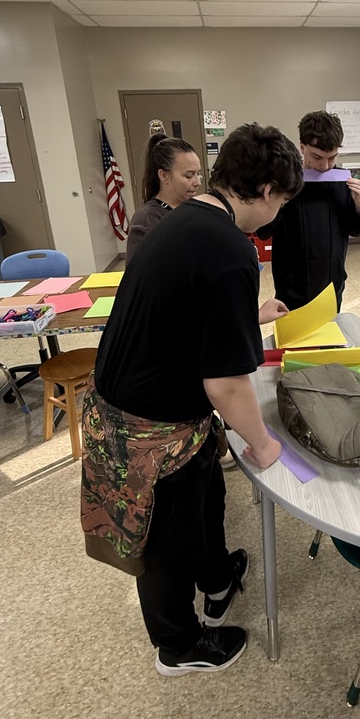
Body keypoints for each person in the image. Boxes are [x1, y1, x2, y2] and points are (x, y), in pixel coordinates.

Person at [81, 123, 303, 678]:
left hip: (140, 394)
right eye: (284, 201)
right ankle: (177, 646)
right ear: (271, 191)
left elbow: (189, 312)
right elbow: (226, 383)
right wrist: (263, 442)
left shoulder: (183, 218)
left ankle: (217, 574)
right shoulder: (231, 249)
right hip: (149, 420)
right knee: (168, 539)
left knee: (207, 497)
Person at [258, 110, 360, 311]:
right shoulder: (285, 182)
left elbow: (356, 230)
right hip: (292, 288)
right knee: (294, 340)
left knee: (330, 338)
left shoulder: (341, 181)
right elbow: (263, 231)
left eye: (332, 157)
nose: (325, 166)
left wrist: (359, 204)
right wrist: (279, 199)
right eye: (317, 157)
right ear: (302, 147)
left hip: (332, 285)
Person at [125, 135, 203, 265]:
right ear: (164, 176)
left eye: (198, 174)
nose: (197, 182)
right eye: (189, 175)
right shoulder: (147, 219)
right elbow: (136, 276)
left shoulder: (196, 209)